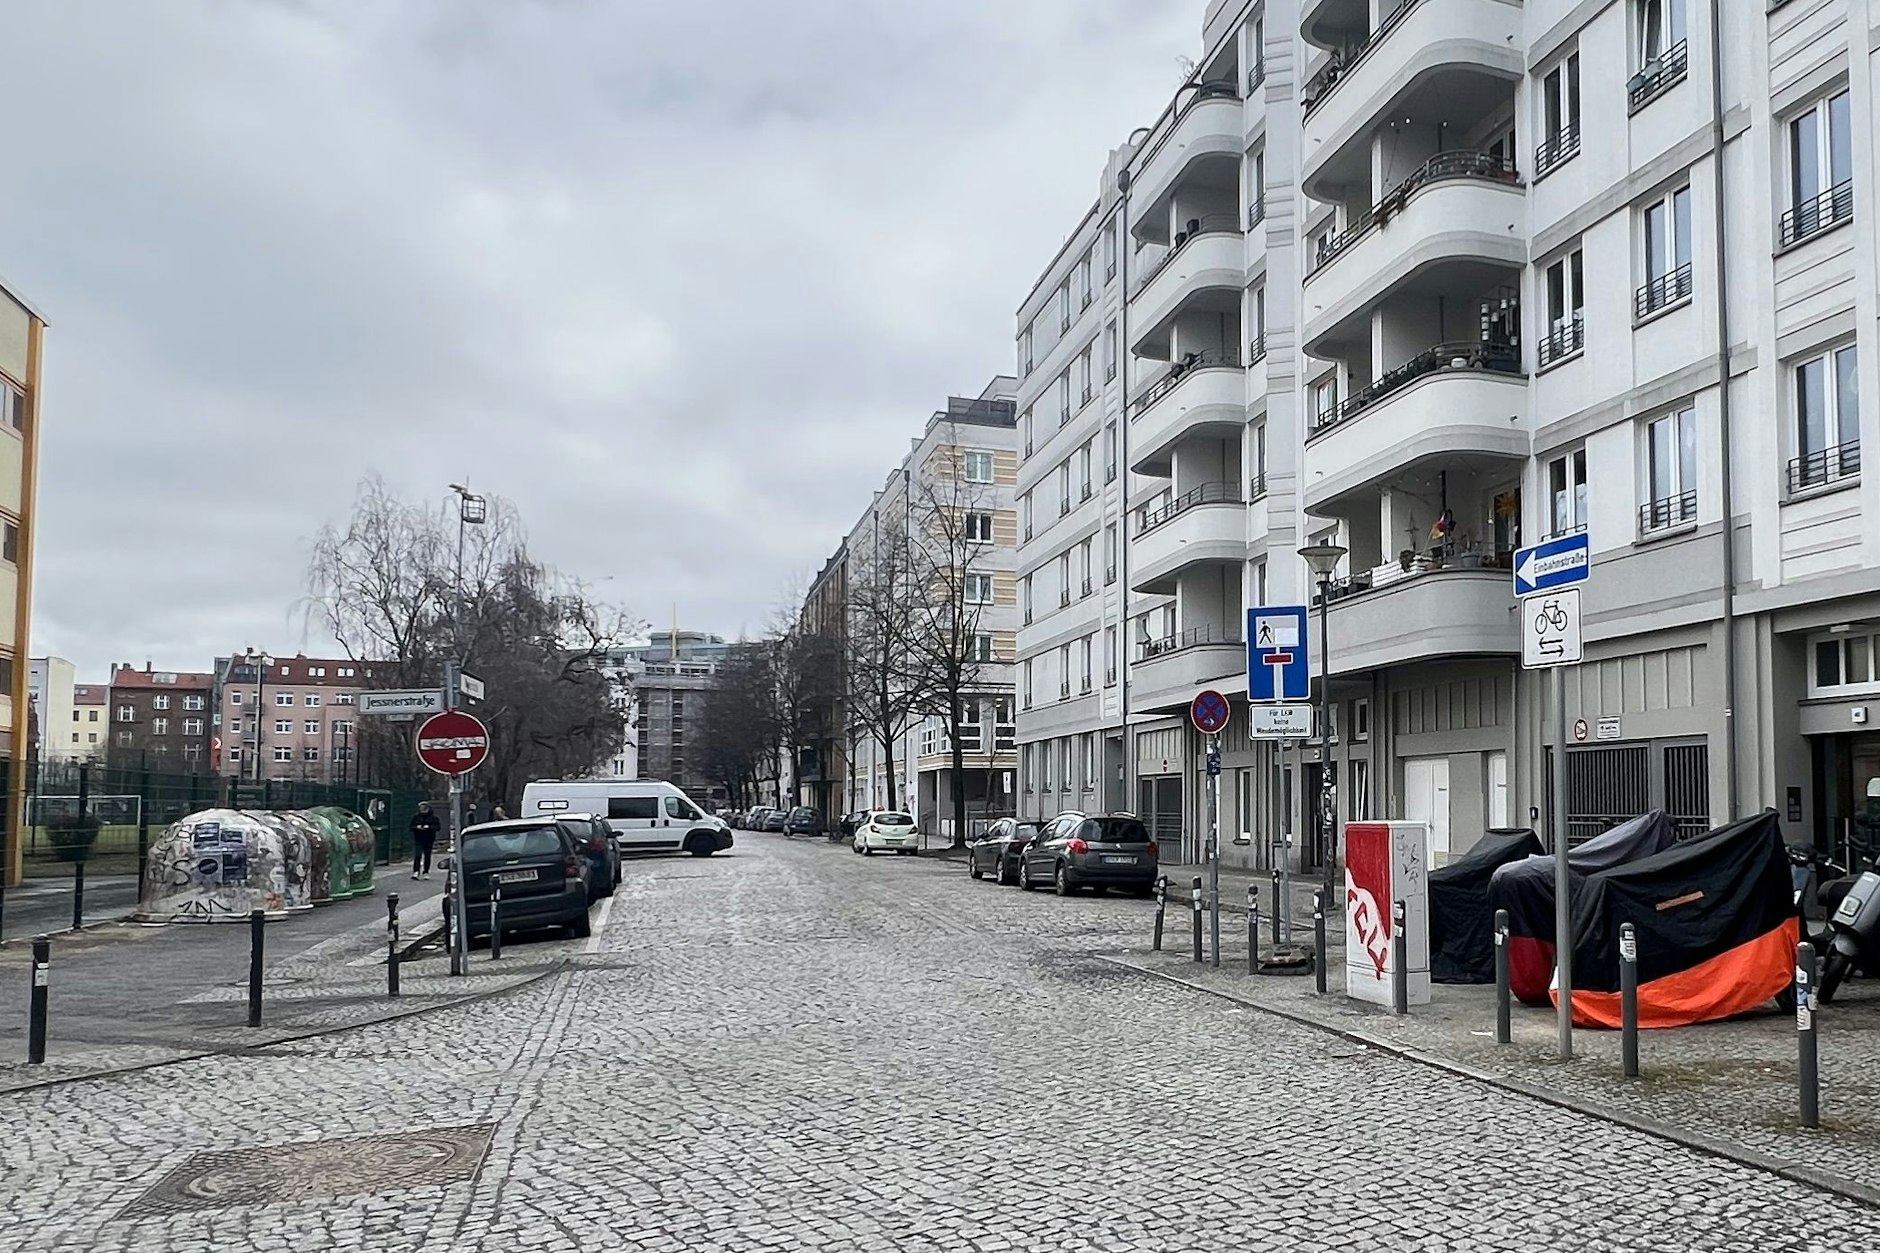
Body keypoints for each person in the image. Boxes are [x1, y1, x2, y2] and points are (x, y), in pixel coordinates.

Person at [410, 801, 441, 879]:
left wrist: (429, 828)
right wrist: (417, 827)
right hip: (418, 838)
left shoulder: (434, 818)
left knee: (427, 856)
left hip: (429, 839)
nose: (423, 810)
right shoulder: (416, 817)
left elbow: (437, 828)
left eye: (425, 808)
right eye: (421, 808)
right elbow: (411, 827)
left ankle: (426, 872)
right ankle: (416, 871)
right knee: (417, 855)